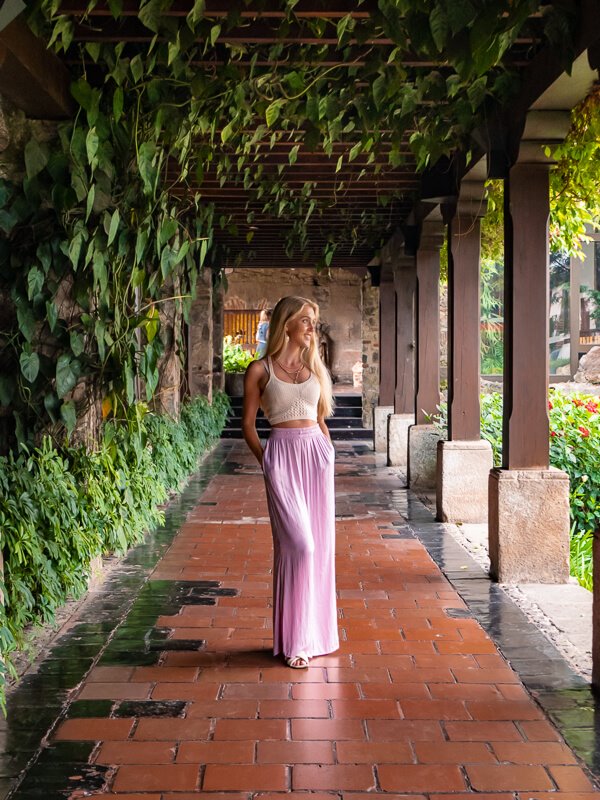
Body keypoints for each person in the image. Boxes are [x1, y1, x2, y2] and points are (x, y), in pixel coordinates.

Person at [242, 296, 338, 669]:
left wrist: (328, 451)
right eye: (306, 321)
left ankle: (315, 636)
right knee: (300, 545)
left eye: (313, 320)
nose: (312, 327)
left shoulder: (315, 366)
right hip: (281, 456)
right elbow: (248, 426)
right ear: (287, 325)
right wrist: (266, 461)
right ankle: (295, 641)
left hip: (316, 457)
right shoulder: (259, 369)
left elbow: (319, 415)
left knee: (321, 548)